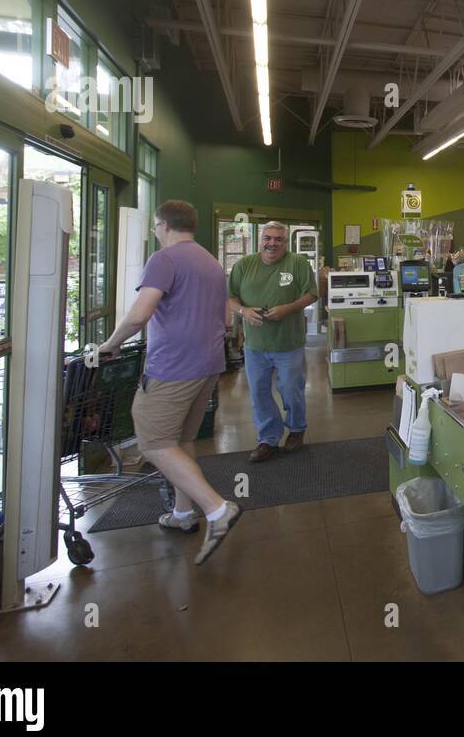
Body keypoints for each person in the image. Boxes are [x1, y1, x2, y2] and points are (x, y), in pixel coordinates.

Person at [100, 200, 241, 565]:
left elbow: (140, 314)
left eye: (154, 227)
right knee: (182, 440)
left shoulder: (164, 259)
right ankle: (182, 514)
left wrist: (110, 346)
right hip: (209, 364)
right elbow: (226, 318)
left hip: (173, 368)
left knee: (153, 442)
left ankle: (216, 508)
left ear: (163, 225)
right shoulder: (211, 262)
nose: (154, 232)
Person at [227, 221, 318, 462]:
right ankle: (267, 438)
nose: (272, 243)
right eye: (268, 238)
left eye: (278, 239)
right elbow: (231, 298)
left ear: (285, 242)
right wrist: (243, 311)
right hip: (255, 345)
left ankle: (296, 429)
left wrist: (288, 308)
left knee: (291, 389)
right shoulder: (244, 265)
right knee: (258, 392)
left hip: (289, 343)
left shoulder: (297, 264)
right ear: (260, 240)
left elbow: (312, 293)